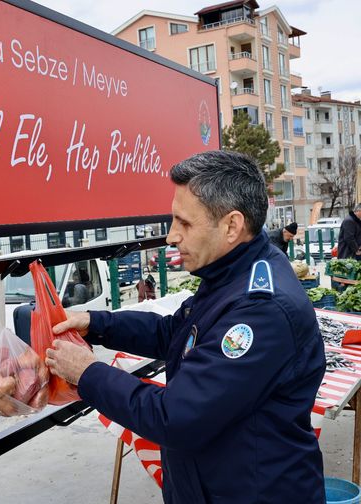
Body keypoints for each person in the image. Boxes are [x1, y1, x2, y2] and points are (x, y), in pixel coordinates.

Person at [45, 150, 325, 503]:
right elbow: (175, 334)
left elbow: (175, 418)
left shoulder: (261, 310)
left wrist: (87, 373)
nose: (171, 237)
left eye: (184, 223)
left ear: (231, 226)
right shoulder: (231, 273)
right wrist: (97, 324)